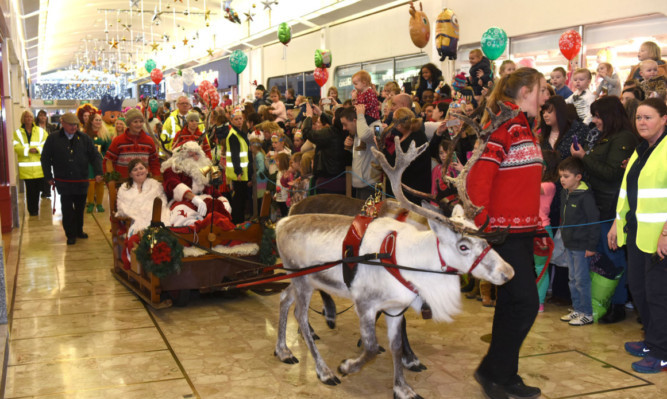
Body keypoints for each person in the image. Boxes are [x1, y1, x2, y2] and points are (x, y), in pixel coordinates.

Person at [469, 67, 545, 399]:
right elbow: (479, 177)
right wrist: (484, 221)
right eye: (541, 90)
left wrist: (536, 224)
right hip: (504, 233)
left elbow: (521, 184)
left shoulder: (524, 127)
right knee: (526, 304)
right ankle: (492, 371)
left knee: (513, 304)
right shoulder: (506, 127)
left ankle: (504, 374)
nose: (545, 97)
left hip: (522, 231)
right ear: (526, 91)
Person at [609, 98, 667, 373]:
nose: (642, 122)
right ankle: (651, 339)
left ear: (664, 119)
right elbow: (627, 191)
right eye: (639, 118)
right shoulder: (642, 149)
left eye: (648, 117)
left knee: (658, 295)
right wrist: (616, 224)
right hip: (637, 233)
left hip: (660, 238)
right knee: (640, 290)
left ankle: (662, 351)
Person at [570, 96, 638, 323]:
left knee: (613, 258)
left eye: (598, 115)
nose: (595, 120)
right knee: (600, 257)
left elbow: (612, 174)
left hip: (611, 208)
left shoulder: (624, 138)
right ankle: (601, 303)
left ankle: (617, 305)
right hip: (597, 206)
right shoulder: (604, 137)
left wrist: (583, 157)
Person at [41, 112, 103, 245]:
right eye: (70, 125)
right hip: (64, 182)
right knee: (67, 209)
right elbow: (45, 158)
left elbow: (95, 156)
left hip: (81, 181)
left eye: (75, 125)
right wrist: (48, 176)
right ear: (63, 123)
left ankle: (79, 230)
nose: (74, 127)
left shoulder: (84, 138)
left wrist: (98, 172)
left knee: (80, 208)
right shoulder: (53, 138)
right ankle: (70, 234)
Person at [557, 157, 600, 326]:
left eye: (566, 176)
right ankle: (577, 309)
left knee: (582, 280)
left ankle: (586, 313)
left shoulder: (585, 196)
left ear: (578, 177)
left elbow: (594, 221)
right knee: (572, 278)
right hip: (569, 243)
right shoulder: (564, 193)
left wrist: (591, 246)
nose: (562, 180)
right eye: (561, 176)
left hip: (582, 246)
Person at [161, 141, 232, 227]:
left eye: (197, 154)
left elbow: (211, 189)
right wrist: (193, 198)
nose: (195, 158)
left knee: (218, 209)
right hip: (182, 202)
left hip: (204, 200)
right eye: (191, 155)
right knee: (183, 215)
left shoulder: (204, 169)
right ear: (181, 158)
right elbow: (173, 184)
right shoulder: (173, 169)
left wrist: (223, 200)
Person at [381, 107, 431, 205]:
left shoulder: (414, 139)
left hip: (410, 192)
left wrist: (382, 147)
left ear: (399, 124)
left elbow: (393, 165)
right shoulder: (410, 135)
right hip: (405, 189)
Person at [301, 105, 348, 196]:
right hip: (342, 179)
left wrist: (309, 116)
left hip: (328, 181)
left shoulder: (329, 133)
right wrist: (321, 113)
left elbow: (307, 133)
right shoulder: (346, 130)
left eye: (334, 116)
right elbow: (336, 122)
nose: (332, 118)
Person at [115, 158, 170, 236]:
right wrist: (139, 213)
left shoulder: (156, 185)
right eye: (135, 169)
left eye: (141, 168)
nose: (139, 171)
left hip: (156, 218)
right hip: (135, 221)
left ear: (146, 171)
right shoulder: (124, 188)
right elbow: (122, 208)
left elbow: (162, 202)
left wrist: (149, 211)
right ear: (130, 174)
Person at [104, 109, 161, 178]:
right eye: (135, 122)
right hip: (123, 184)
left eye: (141, 121)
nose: (139, 124)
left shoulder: (149, 141)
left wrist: (156, 179)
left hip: (145, 183)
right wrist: (111, 183)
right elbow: (108, 162)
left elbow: (154, 162)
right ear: (128, 123)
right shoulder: (118, 141)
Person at [534, 150, 558, 312]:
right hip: (530, 229)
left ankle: (539, 302)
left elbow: (530, 187)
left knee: (540, 268)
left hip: (542, 230)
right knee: (532, 267)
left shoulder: (548, 185)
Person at [13, 110, 48, 216]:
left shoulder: (40, 131)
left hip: (38, 168)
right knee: (30, 190)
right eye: (27, 117)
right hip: (26, 168)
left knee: (37, 190)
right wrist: (28, 150)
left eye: (30, 117)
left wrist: (37, 149)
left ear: (33, 119)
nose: (29, 119)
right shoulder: (18, 133)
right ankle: (31, 210)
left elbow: (46, 144)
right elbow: (16, 147)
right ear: (23, 119)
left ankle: (35, 209)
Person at [539, 96, 590, 160]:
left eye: (549, 112)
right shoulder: (543, 136)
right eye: (543, 112)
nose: (545, 115)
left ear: (560, 112)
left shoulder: (578, 130)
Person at [84, 112, 113, 213]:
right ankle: (91, 203)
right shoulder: (85, 134)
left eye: (100, 120)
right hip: (88, 162)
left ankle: (99, 204)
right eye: (96, 120)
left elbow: (108, 149)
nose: (98, 122)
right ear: (91, 121)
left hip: (100, 161)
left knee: (100, 181)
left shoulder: (105, 134)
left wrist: (104, 157)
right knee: (90, 182)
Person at [225, 110, 250, 224]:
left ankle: (239, 221)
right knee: (238, 200)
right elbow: (235, 155)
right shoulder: (233, 135)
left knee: (241, 198)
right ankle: (236, 222)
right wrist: (238, 171)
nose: (239, 121)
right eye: (236, 119)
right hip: (238, 173)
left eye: (240, 119)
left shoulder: (241, 132)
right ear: (231, 121)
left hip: (243, 171)